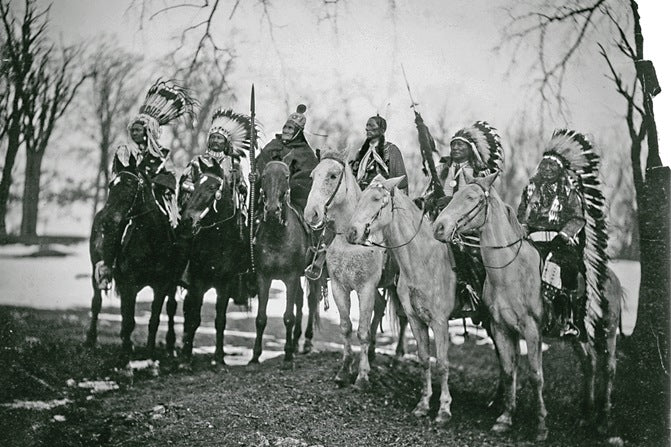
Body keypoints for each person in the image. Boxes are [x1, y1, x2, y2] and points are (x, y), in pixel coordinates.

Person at [94, 80, 194, 288]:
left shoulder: (162, 156)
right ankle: (108, 268)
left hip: (155, 198)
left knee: (173, 225)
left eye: (139, 130)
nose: (135, 132)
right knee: (114, 224)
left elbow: (169, 178)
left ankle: (177, 271)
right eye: (133, 129)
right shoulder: (124, 152)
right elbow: (119, 175)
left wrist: (153, 184)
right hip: (126, 199)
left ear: (149, 132)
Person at [426, 122, 504, 318]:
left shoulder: (479, 172)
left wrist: (450, 201)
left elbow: (482, 200)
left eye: (461, 145)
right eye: (453, 145)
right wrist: (427, 201)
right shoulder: (443, 168)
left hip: (468, 228)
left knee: (466, 255)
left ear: (471, 149)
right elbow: (429, 191)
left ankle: (471, 293)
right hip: (440, 223)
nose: (455, 148)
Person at [517, 138, 589, 337]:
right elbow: (522, 213)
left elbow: (577, 217)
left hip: (559, 241)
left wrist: (565, 233)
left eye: (552, 165)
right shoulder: (531, 188)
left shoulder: (568, 191)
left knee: (566, 271)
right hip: (533, 240)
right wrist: (522, 227)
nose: (547, 169)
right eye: (545, 164)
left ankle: (568, 319)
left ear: (559, 169)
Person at [179, 109, 252, 212]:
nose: (215, 141)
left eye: (219, 138)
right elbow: (186, 183)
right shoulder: (198, 161)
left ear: (226, 143)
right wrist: (199, 191)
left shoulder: (233, 164)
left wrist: (245, 186)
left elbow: (241, 189)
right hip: (199, 208)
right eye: (213, 137)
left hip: (225, 211)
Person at [252, 104, 318, 213]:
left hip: (294, 200)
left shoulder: (306, 153)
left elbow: (307, 180)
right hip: (268, 196)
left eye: (290, 128)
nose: (286, 131)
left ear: (298, 132)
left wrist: (287, 185)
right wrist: (256, 174)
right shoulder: (273, 145)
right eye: (285, 127)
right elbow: (260, 166)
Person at [350, 115, 408, 194]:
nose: (367, 128)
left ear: (382, 130)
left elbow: (402, 181)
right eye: (367, 125)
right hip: (360, 196)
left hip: (383, 198)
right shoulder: (361, 152)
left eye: (372, 125)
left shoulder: (391, 150)